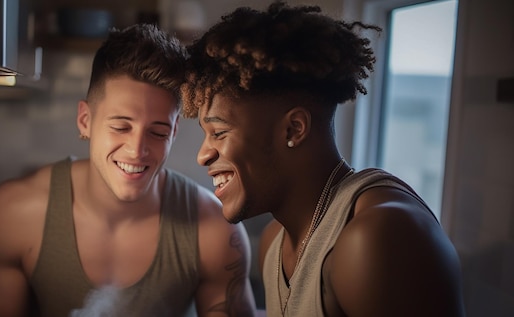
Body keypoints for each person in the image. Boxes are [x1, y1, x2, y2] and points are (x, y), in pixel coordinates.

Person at [181, 2, 466, 317]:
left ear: (294, 129)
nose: (203, 154)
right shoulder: (275, 243)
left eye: (219, 133)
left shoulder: (378, 237)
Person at [0, 23, 257, 317]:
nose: (137, 150)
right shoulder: (13, 213)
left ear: (174, 132)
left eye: (157, 133)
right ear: (85, 120)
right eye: (121, 127)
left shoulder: (214, 229)